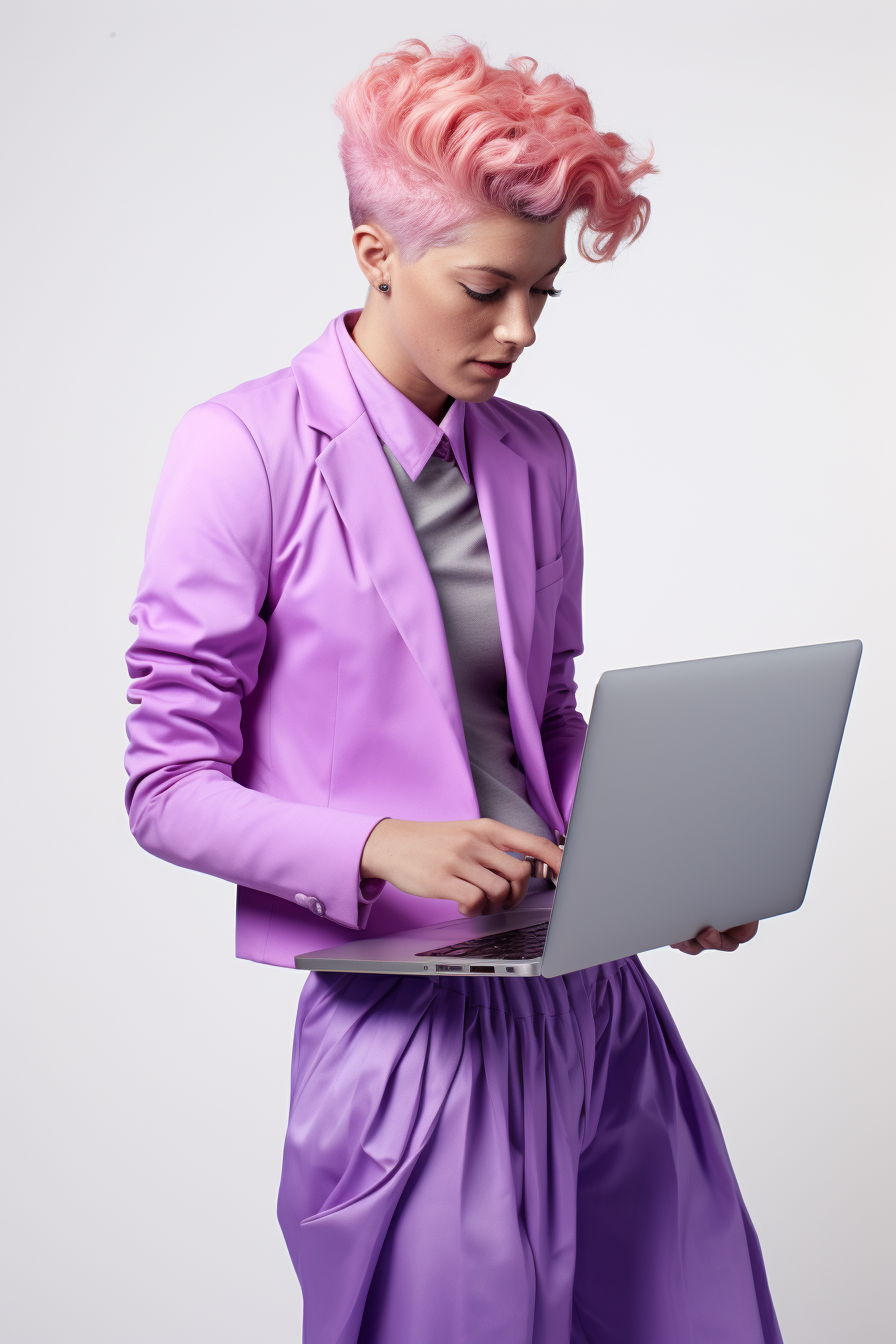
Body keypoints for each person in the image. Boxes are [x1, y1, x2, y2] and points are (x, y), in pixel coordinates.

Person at [125, 38, 782, 1344]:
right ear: (376, 254)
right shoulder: (240, 450)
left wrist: (667, 861)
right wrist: (376, 844)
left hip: (596, 1008)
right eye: (487, 290)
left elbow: (541, 726)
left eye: (543, 295)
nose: (520, 332)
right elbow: (164, 788)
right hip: (414, 1038)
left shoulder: (536, 456)